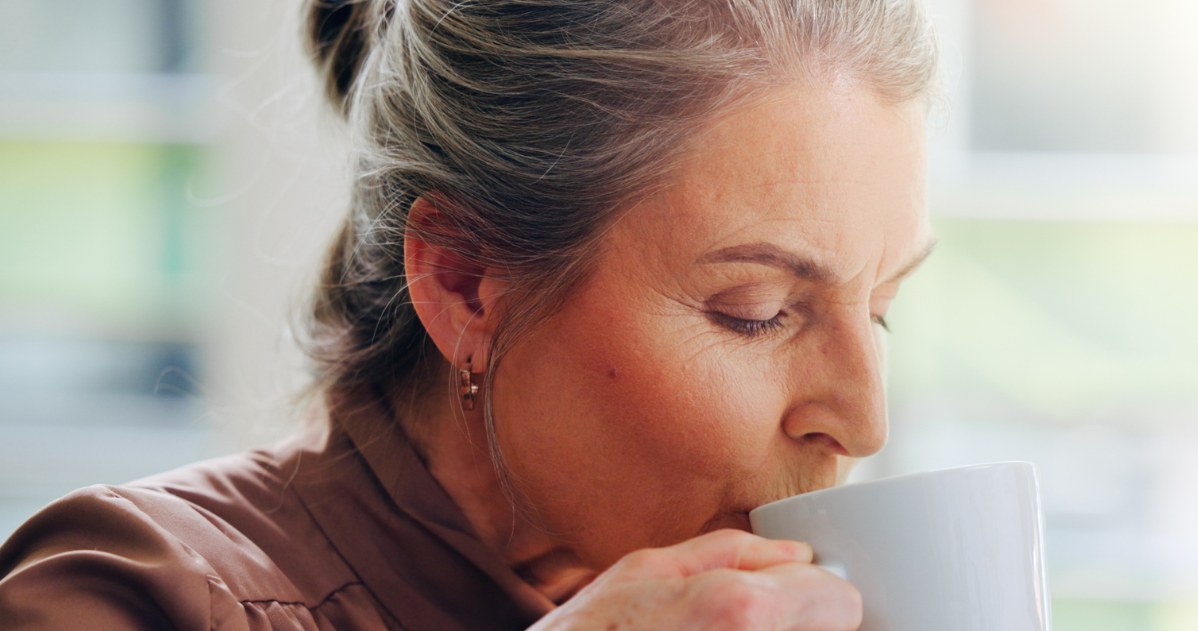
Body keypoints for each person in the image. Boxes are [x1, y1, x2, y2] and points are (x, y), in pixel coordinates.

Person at [0, 0, 939, 629]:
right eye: (757, 312)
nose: (864, 421)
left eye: (882, 309)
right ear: (463, 284)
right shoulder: (127, 596)